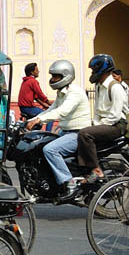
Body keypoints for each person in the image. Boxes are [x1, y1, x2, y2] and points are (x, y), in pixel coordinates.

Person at [25, 59, 91, 202]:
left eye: (56, 76)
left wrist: (39, 120)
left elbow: (62, 111)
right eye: (53, 76)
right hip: (66, 131)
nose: (53, 79)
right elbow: (51, 109)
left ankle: (69, 184)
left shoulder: (75, 93)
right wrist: (31, 120)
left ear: (66, 76)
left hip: (78, 133)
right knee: (41, 144)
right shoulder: (62, 93)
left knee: (50, 150)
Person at [76, 54, 128, 182]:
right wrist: (95, 124)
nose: (93, 73)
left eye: (94, 69)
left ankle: (96, 169)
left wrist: (98, 126)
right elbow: (98, 110)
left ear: (102, 69)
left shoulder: (115, 87)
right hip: (106, 124)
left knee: (85, 134)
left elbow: (115, 115)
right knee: (79, 132)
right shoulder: (99, 86)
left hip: (116, 125)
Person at [17, 62, 52, 130]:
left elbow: (36, 97)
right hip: (28, 108)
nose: (38, 71)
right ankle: (49, 134)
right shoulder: (33, 81)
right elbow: (40, 94)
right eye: (36, 70)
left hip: (23, 108)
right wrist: (48, 102)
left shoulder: (26, 81)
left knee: (37, 124)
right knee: (49, 116)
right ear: (32, 72)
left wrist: (44, 105)